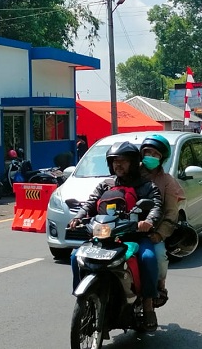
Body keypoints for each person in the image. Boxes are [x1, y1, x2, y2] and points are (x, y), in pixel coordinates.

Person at [68, 141, 164, 331]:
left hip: (134, 235)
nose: (118, 165)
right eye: (114, 162)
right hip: (105, 236)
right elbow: (90, 203)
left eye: (123, 161)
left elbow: (156, 206)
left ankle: (147, 304)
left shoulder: (146, 186)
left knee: (148, 258)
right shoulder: (105, 184)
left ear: (133, 163)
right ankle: (85, 299)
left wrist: (148, 222)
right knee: (75, 256)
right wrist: (78, 218)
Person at [139, 134, 185, 308]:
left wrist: (159, 234)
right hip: (126, 229)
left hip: (152, 233)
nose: (150, 156)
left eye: (155, 154)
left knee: (158, 256)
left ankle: (158, 289)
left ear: (162, 158)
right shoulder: (131, 173)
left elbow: (172, 214)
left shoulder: (167, 182)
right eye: (147, 152)